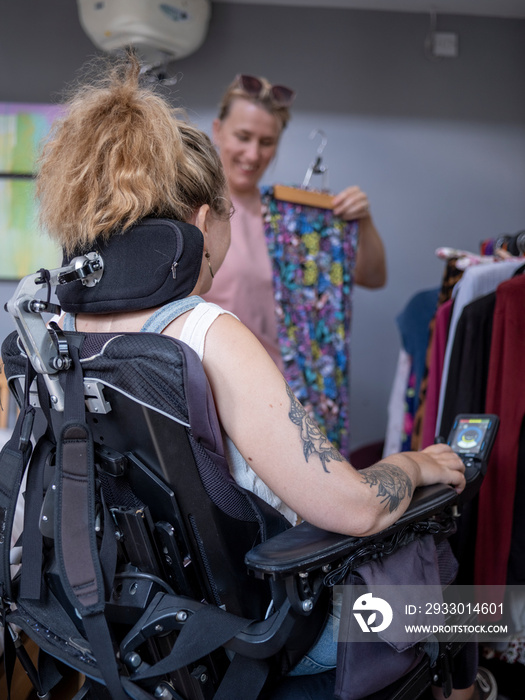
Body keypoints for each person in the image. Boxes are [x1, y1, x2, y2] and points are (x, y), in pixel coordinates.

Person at [35, 56, 494, 700]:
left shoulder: (59, 331)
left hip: (141, 625)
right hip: (274, 626)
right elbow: (358, 510)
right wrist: (417, 464)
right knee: (471, 602)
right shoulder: (207, 332)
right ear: (201, 222)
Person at [204, 74, 387, 456]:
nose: (253, 154)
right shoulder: (191, 214)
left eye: (266, 142)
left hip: (289, 406)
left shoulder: (293, 222)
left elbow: (371, 276)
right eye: (243, 137)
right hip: (214, 403)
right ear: (218, 130)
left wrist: (362, 222)